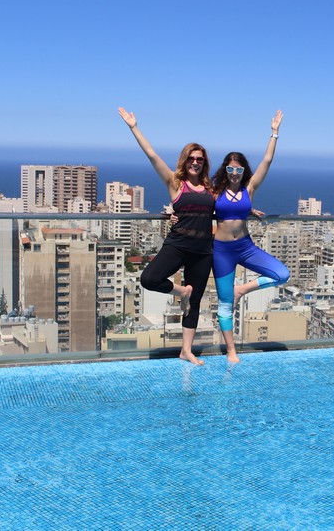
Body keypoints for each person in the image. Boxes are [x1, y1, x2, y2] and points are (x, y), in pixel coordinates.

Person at [118, 107, 215, 365]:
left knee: (195, 302)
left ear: (205, 163)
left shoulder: (210, 188)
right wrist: (134, 127)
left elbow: (228, 204)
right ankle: (180, 291)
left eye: (200, 160)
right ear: (185, 160)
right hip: (178, 244)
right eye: (192, 158)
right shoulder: (175, 182)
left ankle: (186, 350)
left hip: (203, 250)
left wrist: (247, 208)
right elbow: (152, 155)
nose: (196, 162)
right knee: (149, 278)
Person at [212, 110, 289, 363]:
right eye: (231, 168)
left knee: (281, 274)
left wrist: (274, 132)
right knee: (224, 306)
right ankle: (231, 350)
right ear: (226, 168)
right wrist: (173, 212)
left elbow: (267, 160)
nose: (235, 172)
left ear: (244, 170)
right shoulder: (216, 191)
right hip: (222, 250)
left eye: (239, 168)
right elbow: (196, 205)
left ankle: (241, 290)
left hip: (245, 247)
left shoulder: (249, 188)